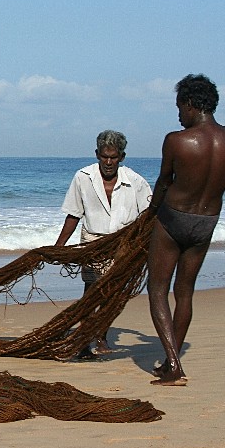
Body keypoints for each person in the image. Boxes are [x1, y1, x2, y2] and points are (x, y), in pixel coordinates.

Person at [146, 74, 225, 386]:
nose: (178, 115)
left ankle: (173, 365)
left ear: (190, 104)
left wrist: (150, 212)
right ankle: (170, 361)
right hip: (207, 222)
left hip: (174, 218)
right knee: (184, 291)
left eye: (179, 107)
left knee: (158, 289)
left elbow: (164, 182)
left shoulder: (177, 140)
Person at [55, 130, 152, 357]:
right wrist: (59, 247)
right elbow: (73, 215)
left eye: (114, 157)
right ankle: (85, 340)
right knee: (91, 291)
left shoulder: (136, 182)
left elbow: (149, 218)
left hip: (123, 245)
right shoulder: (82, 177)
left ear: (122, 157)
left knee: (113, 294)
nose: (108, 162)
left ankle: (101, 336)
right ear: (97, 154)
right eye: (104, 156)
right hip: (92, 243)